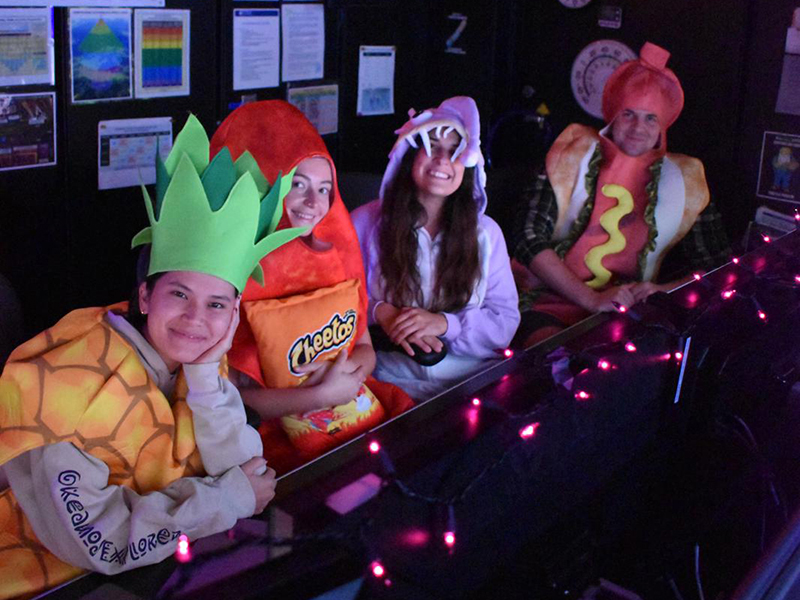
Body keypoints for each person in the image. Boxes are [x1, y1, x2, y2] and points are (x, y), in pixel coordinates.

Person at [0, 115, 301, 598]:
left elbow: (249, 471)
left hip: (163, 577)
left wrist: (205, 378)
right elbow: (102, 542)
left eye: (216, 304)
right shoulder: (66, 385)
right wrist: (224, 499)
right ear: (144, 297)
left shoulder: (198, 363)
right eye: (179, 294)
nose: (195, 319)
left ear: (234, 313)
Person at [209, 101, 413, 471]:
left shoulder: (335, 252)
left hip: (349, 404)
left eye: (324, 189)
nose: (312, 203)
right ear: (269, 184)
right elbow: (230, 398)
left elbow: (364, 345)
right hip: (264, 435)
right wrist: (317, 395)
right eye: (297, 184)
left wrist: (346, 379)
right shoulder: (226, 270)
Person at [511, 42, 731, 345]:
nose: (638, 127)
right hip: (545, 302)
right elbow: (527, 238)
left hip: (630, 316)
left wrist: (663, 291)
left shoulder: (685, 179)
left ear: (662, 126)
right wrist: (590, 298)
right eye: (629, 114)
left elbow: (719, 265)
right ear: (613, 116)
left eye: (651, 118)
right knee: (554, 366)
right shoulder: (572, 154)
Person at [351, 96, 520, 401]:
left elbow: (504, 322)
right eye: (433, 147)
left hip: (473, 381)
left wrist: (445, 324)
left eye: (455, 150)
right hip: (387, 381)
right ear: (409, 155)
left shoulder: (487, 234)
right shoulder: (363, 223)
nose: (443, 160)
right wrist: (381, 313)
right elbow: (337, 301)